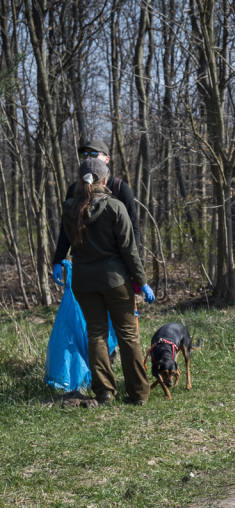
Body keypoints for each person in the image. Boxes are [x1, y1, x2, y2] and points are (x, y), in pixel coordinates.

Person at [59, 157, 154, 405]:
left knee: (96, 335)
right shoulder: (115, 207)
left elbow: (67, 241)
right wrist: (142, 282)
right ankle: (139, 394)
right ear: (104, 180)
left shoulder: (69, 209)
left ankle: (105, 393)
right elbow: (129, 251)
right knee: (128, 336)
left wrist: (58, 261)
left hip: (84, 283)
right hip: (116, 282)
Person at [53, 140, 142, 278]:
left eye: (94, 153)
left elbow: (133, 229)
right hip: (84, 270)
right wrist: (58, 260)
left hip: (116, 271)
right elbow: (66, 229)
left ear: (107, 159)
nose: (89, 157)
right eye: (85, 154)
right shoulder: (74, 190)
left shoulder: (120, 188)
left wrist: (133, 269)